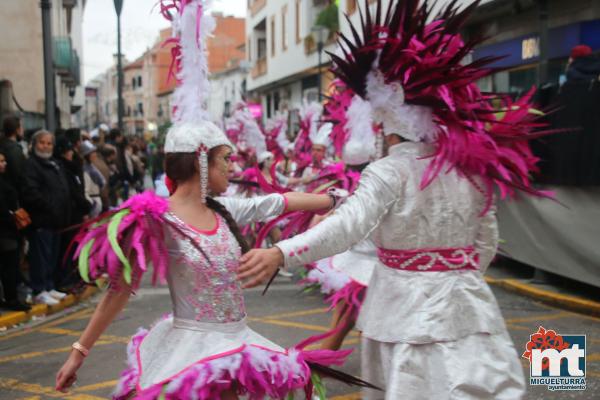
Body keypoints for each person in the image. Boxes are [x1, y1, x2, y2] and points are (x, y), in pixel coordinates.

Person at [238, 1, 553, 398]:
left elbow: (347, 226)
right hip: (467, 305)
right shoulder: (470, 170)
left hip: (403, 314)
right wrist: (454, 276)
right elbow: (486, 241)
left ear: (390, 123)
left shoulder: (390, 171)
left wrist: (281, 252)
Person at [55, 3, 369, 398]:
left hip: (235, 343)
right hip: (190, 352)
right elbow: (118, 291)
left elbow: (280, 202)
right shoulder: (156, 222)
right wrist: (78, 353)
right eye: (225, 159)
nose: (232, 166)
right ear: (201, 162)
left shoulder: (225, 209)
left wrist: (339, 199)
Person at [21, 130, 71, 305]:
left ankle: (49, 286)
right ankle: (39, 289)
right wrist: (50, 207)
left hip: (56, 220)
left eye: (49, 143)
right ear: (35, 145)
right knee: (40, 256)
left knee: (52, 256)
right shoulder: (31, 165)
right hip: (42, 219)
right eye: (42, 143)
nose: (46, 146)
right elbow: (31, 192)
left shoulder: (54, 164)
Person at [54, 135, 92, 291]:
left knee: (78, 246)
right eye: (69, 150)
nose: (71, 153)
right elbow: (72, 191)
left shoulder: (72, 166)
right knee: (68, 249)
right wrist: (86, 205)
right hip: (71, 214)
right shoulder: (63, 168)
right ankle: (67, 279)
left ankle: (77, 276)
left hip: (78, 212)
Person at [0, 151, 31, 311]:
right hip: (6, 233)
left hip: (10, 231)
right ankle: (11, 298)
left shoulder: (5, 179)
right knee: (9, 267)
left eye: (4, 160)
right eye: (1, 161)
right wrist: (13, 216)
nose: (4, 164)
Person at [80, 140, 105, 218]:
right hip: (93, 203)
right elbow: (85, 191)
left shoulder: (91, 167)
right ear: (87, 155)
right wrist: (92, 204)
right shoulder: (85, 170)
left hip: (96, 202)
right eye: (92, 153)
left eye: (95, 152)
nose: (95, 155)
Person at [0, 115, 26, 189]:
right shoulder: (14, 149)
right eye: (21, 127)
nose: (23, 130)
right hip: (12, 193)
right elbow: (18, 175)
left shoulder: (3, 144)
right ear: (17, 130)